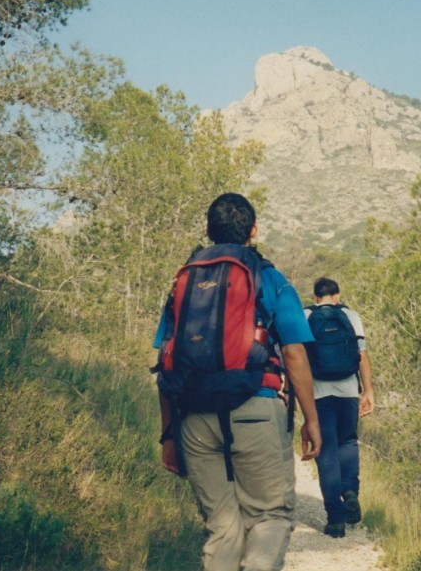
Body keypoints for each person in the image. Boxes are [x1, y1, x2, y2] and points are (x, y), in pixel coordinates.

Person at [157, 193, 321, 571]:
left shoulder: (184, 281)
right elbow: (295, 353)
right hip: (255, 406)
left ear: (209, 231)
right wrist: (311, 419)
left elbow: (165, 362)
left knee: (223, 528)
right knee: (269, 517)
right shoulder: (269, 278)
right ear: (253, 230)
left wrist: (169, 435)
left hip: (195, 418)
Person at [304, 277, 375, 538]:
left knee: (326, 451)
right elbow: (362, 356)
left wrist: (296, 397)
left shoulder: (305, 315)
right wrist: (368, 391)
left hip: (318, 393)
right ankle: (350, 490)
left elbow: (297, 357)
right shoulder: (350, 315)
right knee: (348, 442)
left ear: (315, 296)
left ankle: (335, 520)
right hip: (347, 391)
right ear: (338, 295)